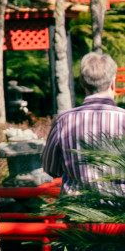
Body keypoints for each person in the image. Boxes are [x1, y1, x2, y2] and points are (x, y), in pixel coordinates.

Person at [42, 49, 125, 192]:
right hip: (119, 211)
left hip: (76, 211)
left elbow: (50, 168)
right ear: (113, 83)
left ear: (82, 83)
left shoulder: (63, 120)